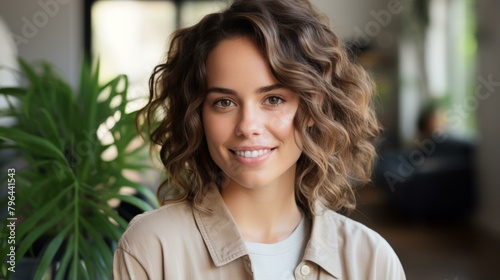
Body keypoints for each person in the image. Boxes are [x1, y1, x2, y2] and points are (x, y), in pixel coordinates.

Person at [113, 0, 406, 279]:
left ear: (312, 108)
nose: (248, 127)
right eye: (224, 102)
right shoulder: (152, 247)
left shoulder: (371, 260)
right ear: (198, 115)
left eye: (273, 99)